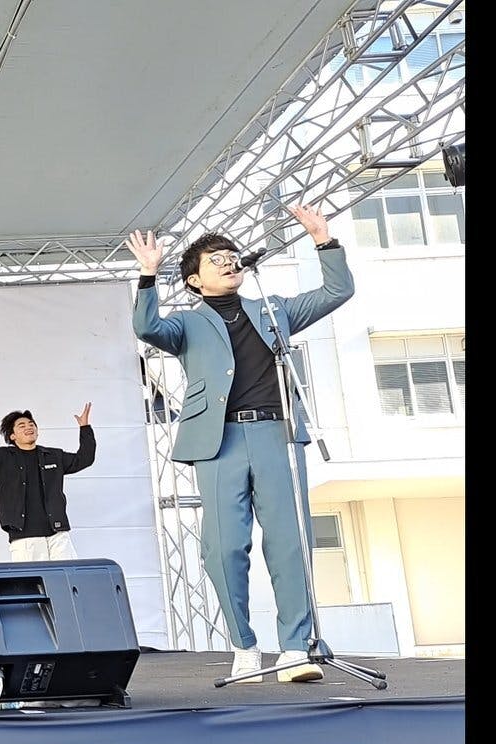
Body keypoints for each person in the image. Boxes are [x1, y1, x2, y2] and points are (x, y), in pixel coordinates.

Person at [126, 203, 351, 684]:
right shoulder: (187, 323)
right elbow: (147, 328)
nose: (229, 262)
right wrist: (148, 274)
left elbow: (338, 290)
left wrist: (323, 240)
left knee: (290, 542)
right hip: (219, 440)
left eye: (232, 256)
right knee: (223, 548)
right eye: (216, 260)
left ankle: (296, 648)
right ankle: (244, 646)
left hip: (276, 434)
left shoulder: (273, 308)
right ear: (194, 280)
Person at [0, 403, 96, 561]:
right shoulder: (2, 457)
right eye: (22, 425)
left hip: (58, 534)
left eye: (31, 424)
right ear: (12, 436)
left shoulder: (53, 456)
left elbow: (84, 459)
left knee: (66, 574)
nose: (29, 427)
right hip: (24, 537)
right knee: (31, 577)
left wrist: (85, 428)